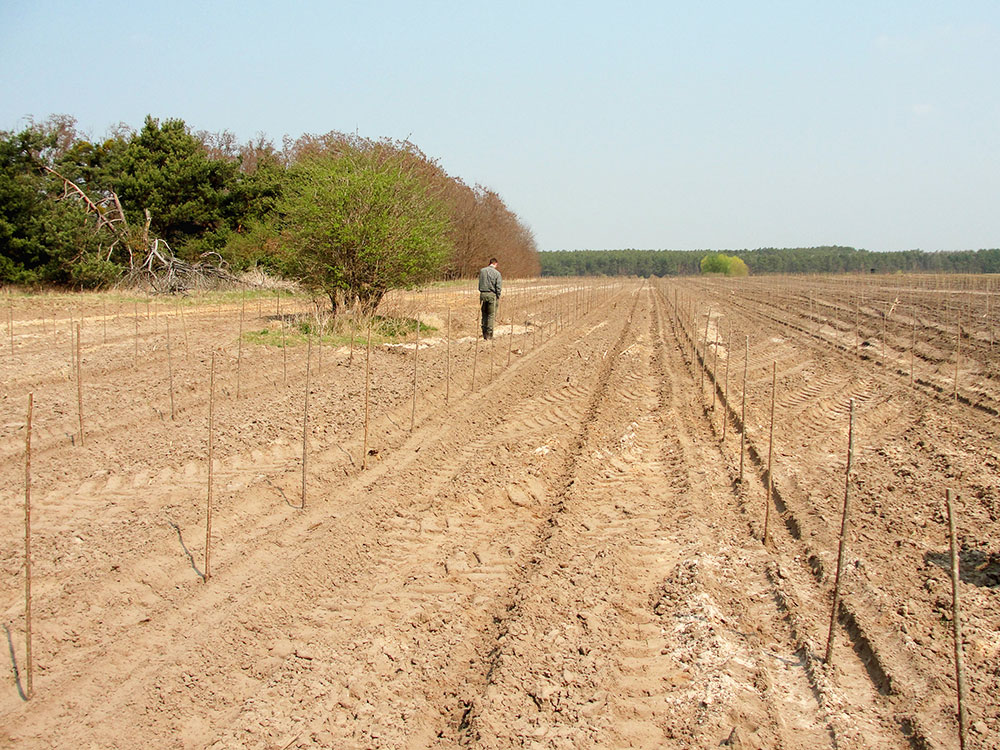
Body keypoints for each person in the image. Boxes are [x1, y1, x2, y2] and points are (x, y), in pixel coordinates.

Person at [478, 258, 502, 340]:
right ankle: (489, 335)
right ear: (496, 264)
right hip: (492, 295)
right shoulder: (497, 273)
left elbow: (480, 283)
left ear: (489, 263)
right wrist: (498, 296)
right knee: (491, 315)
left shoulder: (482, 271)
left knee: (484, 314)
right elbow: (498, 287)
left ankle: (484, 333)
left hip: (483, 294)